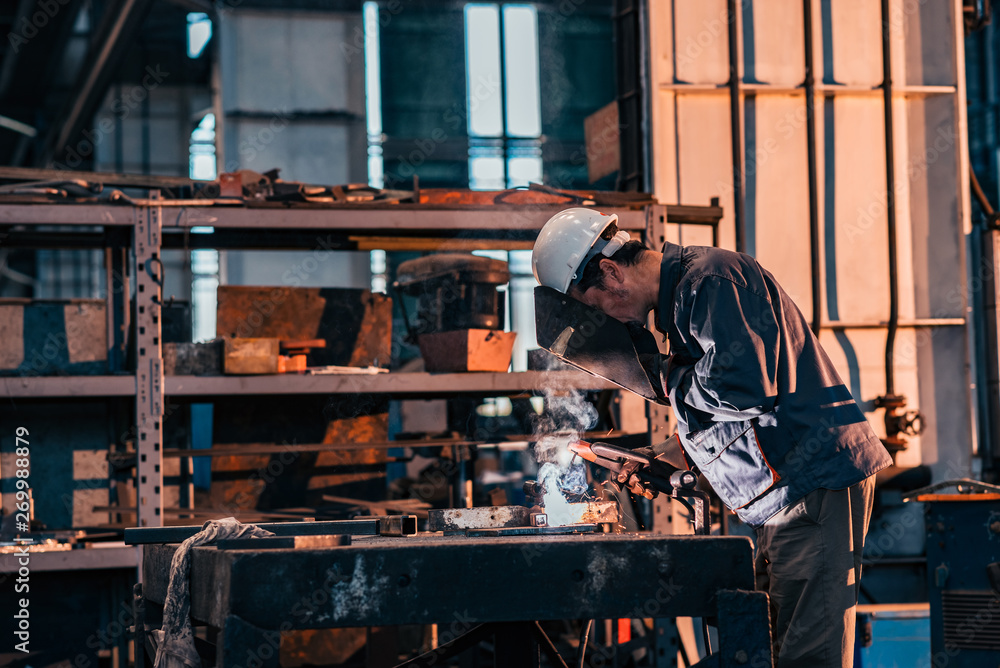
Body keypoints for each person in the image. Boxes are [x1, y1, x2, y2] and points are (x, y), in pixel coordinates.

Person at [531, 207, 893, 668]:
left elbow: (742, 388)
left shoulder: (711, 280)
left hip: (811, 483)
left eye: (596, 305)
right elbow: (725, 414)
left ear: (609, 271)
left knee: (808, 657)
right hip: (783, 496)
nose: (610, 319)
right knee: (769, 651)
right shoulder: (683, 305)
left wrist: (666, 378)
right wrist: (659, 456)